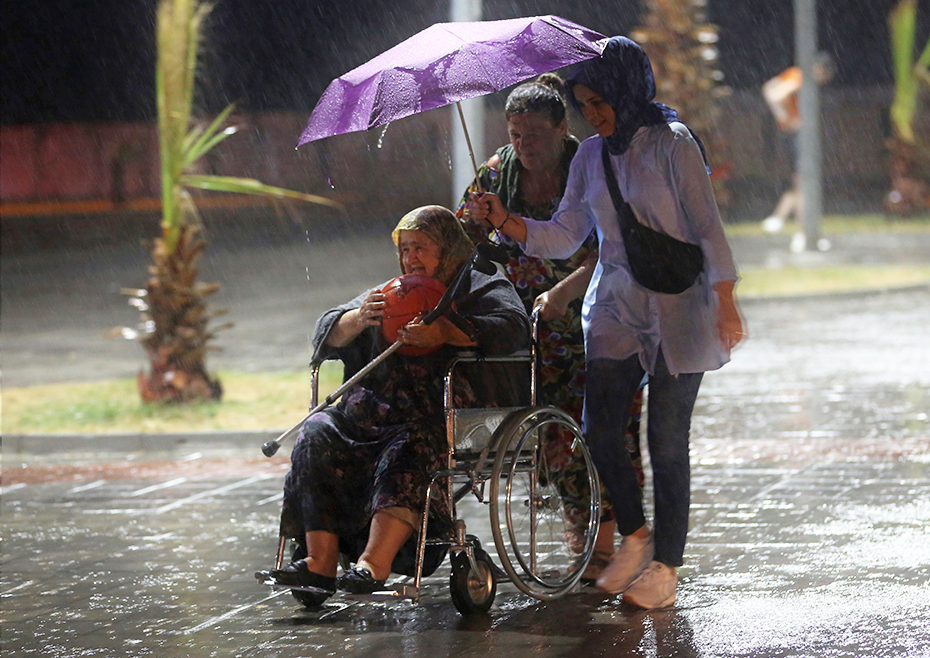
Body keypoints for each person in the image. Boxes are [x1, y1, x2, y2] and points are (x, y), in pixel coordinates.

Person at [470, 37, 746, 609]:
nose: (593, 115)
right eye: (584, 103)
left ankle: (666, 565)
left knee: (666, 442)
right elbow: (568, 233)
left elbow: (707, 225)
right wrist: (509, 222)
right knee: (599, 433)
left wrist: (725, 297)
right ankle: (635, 536)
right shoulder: (592, 156)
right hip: (616, 304)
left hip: (679, 305)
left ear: (626, 89)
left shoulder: (672, 145)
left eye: (600, 101)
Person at [270, 205, 529, 603]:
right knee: (318, 431)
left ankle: (374, 562)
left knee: (414, 440)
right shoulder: (396, 290)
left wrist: (449, 331)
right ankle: (319, 564)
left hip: (440, 409)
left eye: (421, 247)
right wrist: (357, 318)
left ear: (447, 247)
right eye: (405, 249)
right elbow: (326, 330)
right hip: (372, 412)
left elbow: (513, 327)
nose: (411, 258)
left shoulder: (481, 283)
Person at [457, 74, 644, 580]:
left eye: (536, 135)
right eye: (516, 135)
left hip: (606, 310)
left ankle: (613, 532)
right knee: (555, 432)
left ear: (563, 128)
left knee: (612, 426)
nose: (525, 146)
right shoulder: (498, 172)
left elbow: (614, 245)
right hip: (539, 328)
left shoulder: (592, 165)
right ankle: (582, 524)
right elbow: (461, 238)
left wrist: (566, 291)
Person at [760, 55, 835, 233]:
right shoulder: (800, 77)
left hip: (795, 134)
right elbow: (775, 94)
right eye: (825, 77)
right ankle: (802, 229)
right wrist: (785, 118)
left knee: (801, 180)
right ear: (820, 70)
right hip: (796, 135)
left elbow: (768, 87)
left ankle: (779, 219)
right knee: (804, 180)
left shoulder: (794, 74)